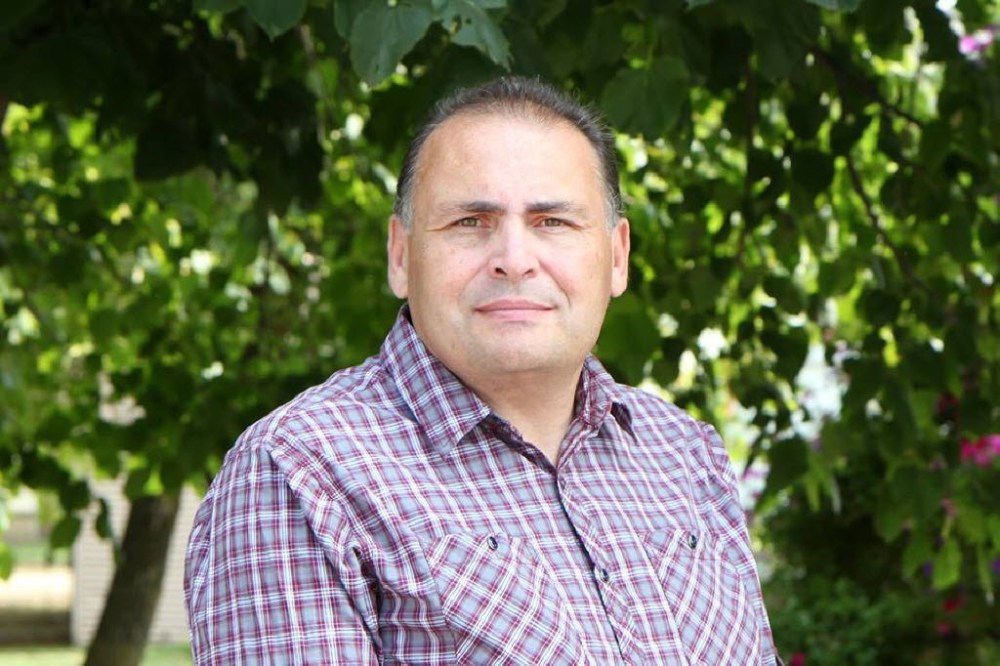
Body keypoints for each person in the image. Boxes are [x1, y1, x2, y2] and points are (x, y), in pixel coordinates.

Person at [184, 76, 780, 665]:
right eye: (470, 222)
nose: (515, 261)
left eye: (553, 222)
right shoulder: (301, 471)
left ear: (617, 257)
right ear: (400, 254)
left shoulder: (685, 454)